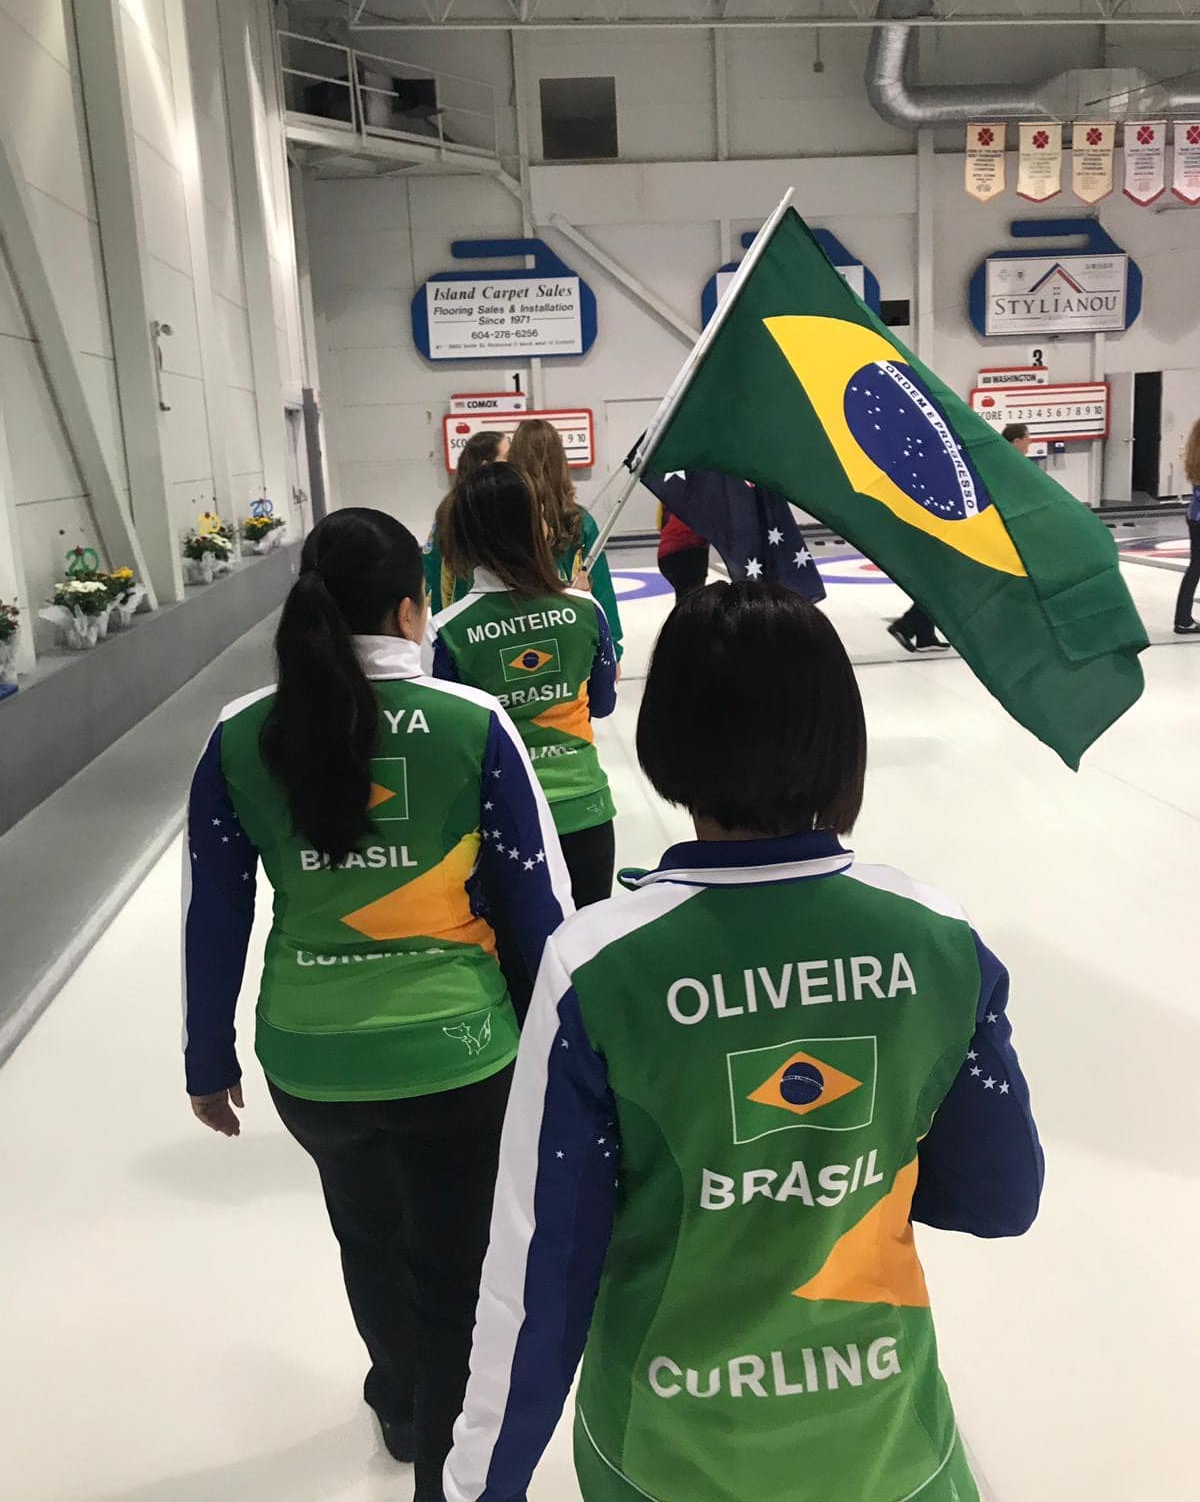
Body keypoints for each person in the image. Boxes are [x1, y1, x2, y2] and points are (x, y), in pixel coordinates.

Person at [444, 580, 1043, 1502]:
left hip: (666, 1453)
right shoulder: (936, 941)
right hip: (888, 1448)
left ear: (665, 748)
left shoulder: (598, 969)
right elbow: (1001, 1195)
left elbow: (541, 1265)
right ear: (845, 745)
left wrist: (484, 1481)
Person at [182, 507, 574, 1502]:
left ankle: (398, 1401)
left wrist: (206, 1059)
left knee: (365, 1228)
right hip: (460, 1054)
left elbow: (214, 912)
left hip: (311, 1061)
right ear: (412, 608)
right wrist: (564, 1052)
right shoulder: (474, 726)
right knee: (457, 1265)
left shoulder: (238, 737)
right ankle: (447, 1463)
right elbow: (538, 905)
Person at [432, 464, 618, 974]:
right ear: (534, 526)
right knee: (584, 971)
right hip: (584, 816)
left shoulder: (445, 632)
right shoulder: (586, 611)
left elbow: (447, 745)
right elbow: (603, 704)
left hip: (500, 829)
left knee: (519, 977)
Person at [888, 423, 1033, 654]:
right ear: (1016, 441)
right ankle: (905, 625)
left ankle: (924, 634)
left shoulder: (994, 459)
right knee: (947, 584)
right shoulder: (1001, 463)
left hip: (964, 528)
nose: (1030, 442)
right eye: (1028, 438)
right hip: (970, 531)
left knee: (943, 582)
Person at [508, 418, 624, 659]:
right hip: (573, 642)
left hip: (515, 644)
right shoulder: (580, 521)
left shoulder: (500, 522)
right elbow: (601, 591)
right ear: (560, 462)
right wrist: (613, 648)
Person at [425, 430, 510, 615]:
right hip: (469, 617)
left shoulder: (450, 506)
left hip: (458, 617)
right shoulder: (468, 512)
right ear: (487, 465)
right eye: (507, 457)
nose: (513, 465)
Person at [1174, 418, 1200, 636]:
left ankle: (1183, 617)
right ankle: (1182, 619)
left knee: (1195, 568)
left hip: (1194, 516)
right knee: (1196, 567)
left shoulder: (1195, 459)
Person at [657, 505, 709, 603]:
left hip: (666, 553)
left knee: (686, 597)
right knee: (691, 601)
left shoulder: (679, 499)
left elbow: (660, 523)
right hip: (689, 552)